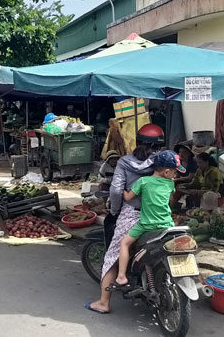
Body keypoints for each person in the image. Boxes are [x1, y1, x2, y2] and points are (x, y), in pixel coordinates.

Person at [85, 124, 164, 314]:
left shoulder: (124, 162)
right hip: (159, 214)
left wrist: (115, 209)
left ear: (136, 141)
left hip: (132, 213)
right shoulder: (162, 161)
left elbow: (115, 189)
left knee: (113, 255)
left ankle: (104, 302)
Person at [115, 151, 184, 286]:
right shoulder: (170, 184)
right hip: (167, 224)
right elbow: (170, 199)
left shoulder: (143, 181)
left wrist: (121, 186)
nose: (175, 175)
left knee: (124, 243)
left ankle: (121, 276)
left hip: (146, 225)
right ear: (166, 172)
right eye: (175, 172)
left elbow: (128, 197)